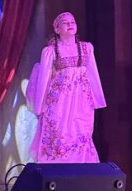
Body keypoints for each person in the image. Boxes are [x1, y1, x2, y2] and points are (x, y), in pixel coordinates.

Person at [29, 11, 106, 162]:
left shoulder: (86, 48)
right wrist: (40, 105)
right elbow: (44, 79)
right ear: (57, 29)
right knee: (59, 133)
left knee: (81, 132)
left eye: (72, 22)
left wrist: (96, 100)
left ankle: (81, 168)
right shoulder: (50, 51)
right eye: (65, 22)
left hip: (81, 102)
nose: (70, 24)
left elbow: (93, 75)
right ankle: (55, 168)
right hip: (59, 102)